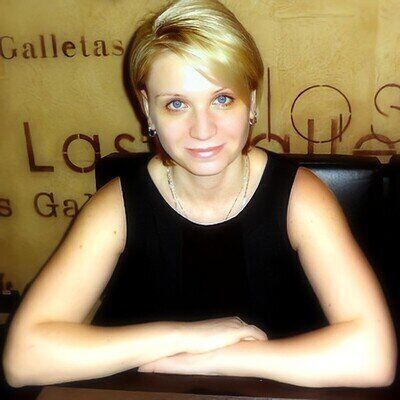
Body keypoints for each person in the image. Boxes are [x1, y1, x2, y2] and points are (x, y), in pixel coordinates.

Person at [2, 0, 397, 389]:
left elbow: (373, 358)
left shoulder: (300, 197)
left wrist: (216, 359)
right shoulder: (117, 205)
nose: (203, 130)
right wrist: (186, 336)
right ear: (148, 110)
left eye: (222, 99)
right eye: (176, 104)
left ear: (251, 101)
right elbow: (24, 359)